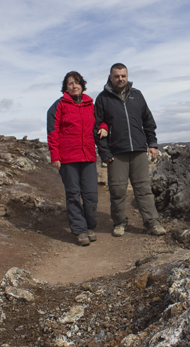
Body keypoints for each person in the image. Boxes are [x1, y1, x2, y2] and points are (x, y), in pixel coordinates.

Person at [94, 63, 166, 237]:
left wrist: (153, 144)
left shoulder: (137, 95)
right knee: (117, 190)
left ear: (127, 76)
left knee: (143, 189)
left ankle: (152, 223)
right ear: (110, 77)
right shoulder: (103, 98)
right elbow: (96, 127)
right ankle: (119, 223)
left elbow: (148, 121)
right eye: (117, 76)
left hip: (139, 150)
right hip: (116, 153)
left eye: (123, 75)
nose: (120, 79)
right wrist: (105, 152)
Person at [46, 71, 98, 246]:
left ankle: (90, 226)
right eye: (70, 83)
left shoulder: (90, 104)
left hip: (88, 155)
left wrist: (104, 127)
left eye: (77, 82)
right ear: (65, 88)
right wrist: (55, 156)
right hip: (68, 158)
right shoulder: (58, 106)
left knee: (91, 194)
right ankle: (79, 230)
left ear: (82, 85)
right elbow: (52, 133)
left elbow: (100, 122)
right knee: (74, 195)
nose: (74, 86)